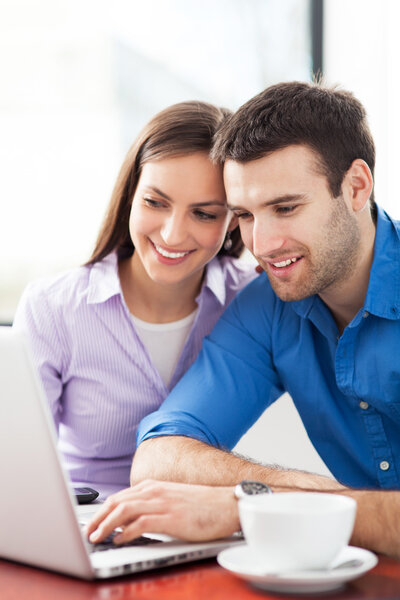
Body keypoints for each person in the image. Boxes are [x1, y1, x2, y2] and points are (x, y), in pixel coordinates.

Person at [86, 81, 400, 559]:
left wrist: (247, 506)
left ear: (355, 187)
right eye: (245, 215)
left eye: (286, 207)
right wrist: (289, 497)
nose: (264, 244)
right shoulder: (268, 303)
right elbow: (159, 458)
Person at [13, 101, 256, 498]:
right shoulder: (52, 308)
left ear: (234, 219)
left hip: (202, 523)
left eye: (204, 214)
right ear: (130, 195)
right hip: (87, 524)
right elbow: (17, 463)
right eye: (155, 203)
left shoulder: (251, 301)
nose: (173, 235)